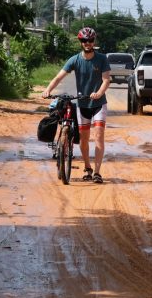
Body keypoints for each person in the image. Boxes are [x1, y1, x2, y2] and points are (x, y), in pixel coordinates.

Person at [43, 27, 111, 184]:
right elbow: (59, 77)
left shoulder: (101, 59)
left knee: (99, 135)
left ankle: (97, 172)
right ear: (80, 42)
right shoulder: (74, 60)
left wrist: (99, 93)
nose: (87, 43)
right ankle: (87, 168)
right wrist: (48, 90)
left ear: (94, 41)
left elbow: (106, 80)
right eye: (84, 41)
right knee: (84, 139)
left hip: (99, 104)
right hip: (82, 104)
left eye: (90, 40)